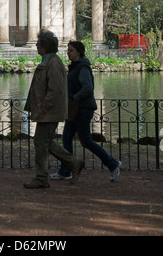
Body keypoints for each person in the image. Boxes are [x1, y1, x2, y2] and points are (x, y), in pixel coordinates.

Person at [50, 40, 122, 183]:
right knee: (66, 139)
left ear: (79, 52)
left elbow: (87, 88)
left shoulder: (82, 67)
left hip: (82, 109)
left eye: (71, 50)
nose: (68, 53)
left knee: (86, 141)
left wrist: (74, 98)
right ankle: (66, 171)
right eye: (68, 50)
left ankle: (113, 163)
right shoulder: (76, 66)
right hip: (75, 109)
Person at [23, 30, 85, 189]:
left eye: (38, 43)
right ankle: (74, 163)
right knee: (45, 142)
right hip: (46, 112)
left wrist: (42, 109)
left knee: (41, 143)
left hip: (49, 113)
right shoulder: (48, 61)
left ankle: (42, 178)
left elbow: (55, 91)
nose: (36, 45)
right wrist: (32, 108)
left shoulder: (53, 63)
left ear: (44, 47)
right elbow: (38, 90)